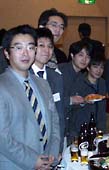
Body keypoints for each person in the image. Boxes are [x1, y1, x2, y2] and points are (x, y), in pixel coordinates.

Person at [0, 25, 60, 169]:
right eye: (18, 48)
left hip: (47, 162)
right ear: (7, 53)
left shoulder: (43, 84)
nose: (25, 53)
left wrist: (51, 154)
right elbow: (2, 137)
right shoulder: (2, 86)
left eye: (30, 47)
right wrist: (33, 161)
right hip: (15, 164)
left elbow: (54, 123)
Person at [30, 28, 65, 153]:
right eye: (41, 45)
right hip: (29, 145)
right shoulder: (24, 75)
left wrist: (58, 148)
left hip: (52, 145)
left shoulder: (56, 77)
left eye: (50, 46)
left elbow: (60, 114)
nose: (46, 50)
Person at [59, 40, 91, 143]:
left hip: (71, 128)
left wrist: (84, 101)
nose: (84, 59)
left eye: (87, 56)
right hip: (57, 127)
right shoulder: (59, 72)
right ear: (72, 55)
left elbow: (76, 105)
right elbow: (50, 100)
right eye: (81, 55)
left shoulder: (82, 77)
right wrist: (70, 100)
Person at [70, 56, 107, 137]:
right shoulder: (78, 82)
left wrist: (102, 129)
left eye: (101, 67)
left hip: (98, 129)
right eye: (95, 67)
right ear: (88, 68)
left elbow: (102, 109)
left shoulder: (102, 83)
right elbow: (70, 107)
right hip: (80, 129)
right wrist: (83, 101)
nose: (99, 70)